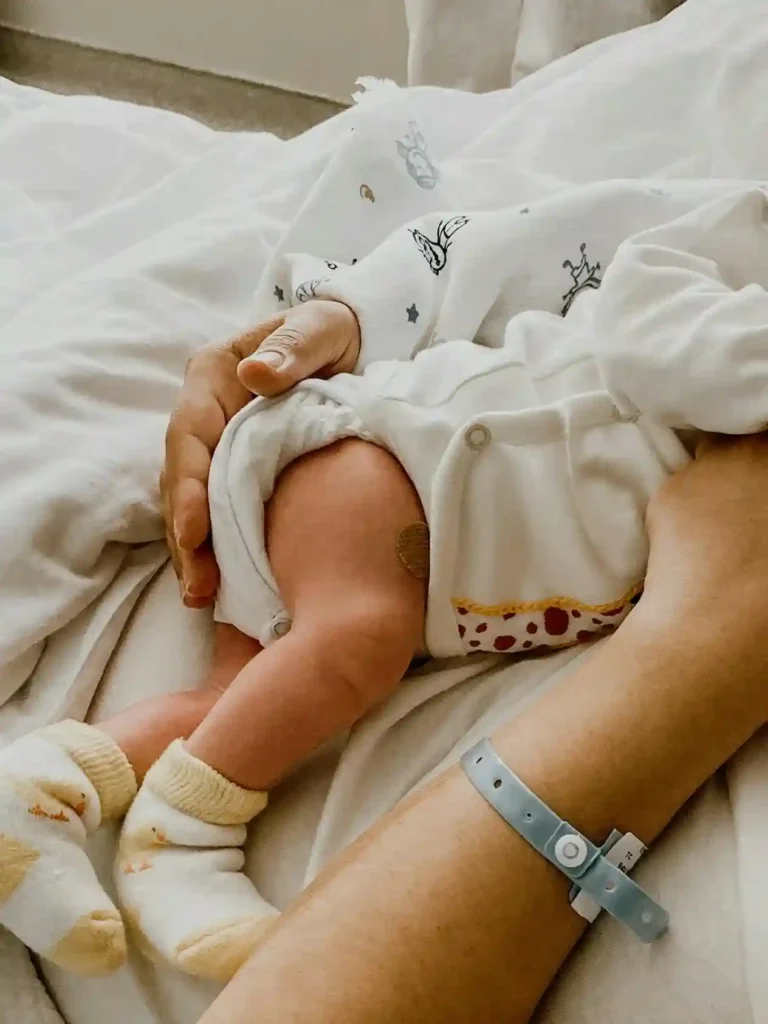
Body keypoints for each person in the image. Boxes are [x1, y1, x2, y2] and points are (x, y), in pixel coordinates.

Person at [2, 185, 768, 985]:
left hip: (407, 529)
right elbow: (650, 324)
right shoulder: (722, 257)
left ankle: (42, 792)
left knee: (238, 703)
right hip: (386, 460)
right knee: (357, 639)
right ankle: (183, 840)